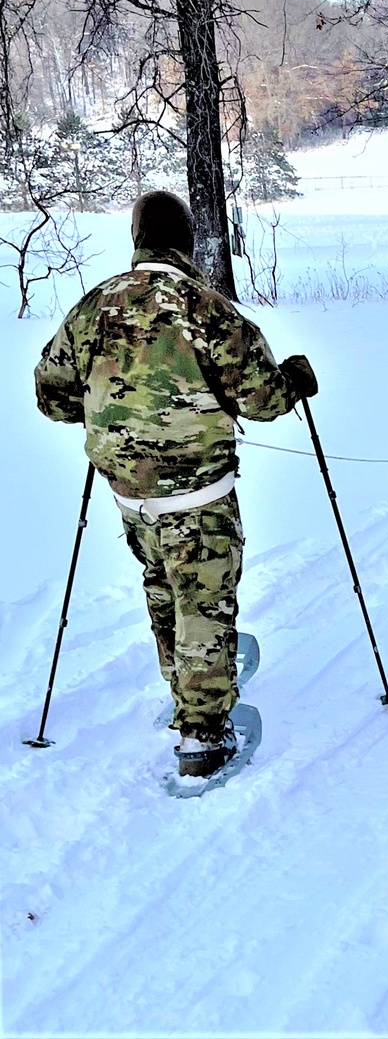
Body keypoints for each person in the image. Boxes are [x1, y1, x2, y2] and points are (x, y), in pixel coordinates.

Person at [34, 192, 318, 778]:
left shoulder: (93, 308)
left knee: (163, 584)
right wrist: (295, 379)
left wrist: (109, 412)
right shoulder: (208, 309)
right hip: (197, 493)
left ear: (136, 239)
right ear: (187, 242)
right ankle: (203, 738)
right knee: (204, 601)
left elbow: (50, 392)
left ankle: (185, 681)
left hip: (129, 494)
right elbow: (262, 400)